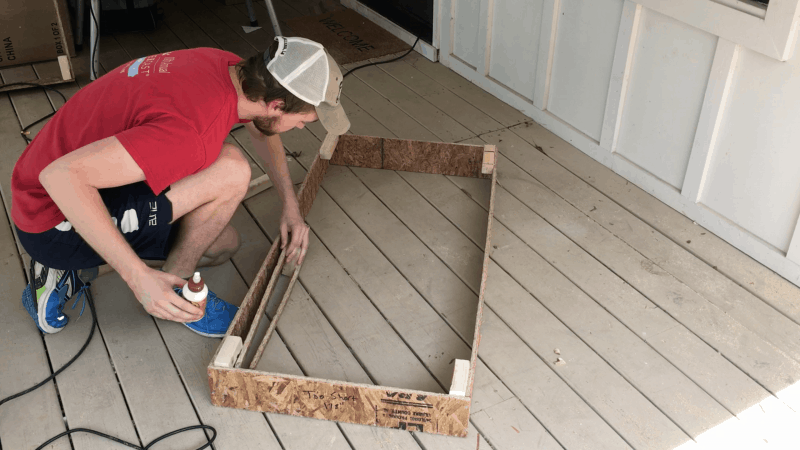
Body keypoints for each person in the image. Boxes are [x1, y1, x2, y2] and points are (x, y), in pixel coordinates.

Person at [11, 36, 350, 337]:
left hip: (72, 173)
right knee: (231, 170)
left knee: (221, 245)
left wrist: (290, 207)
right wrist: (138, 277)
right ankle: (172, 293)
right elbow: (60, 177)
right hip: (51, 216)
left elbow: (264, 129)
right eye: (304, 121)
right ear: (276, 105)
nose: (304, 129)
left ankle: (81, 270)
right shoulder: (189, 134)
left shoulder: (228, 68)